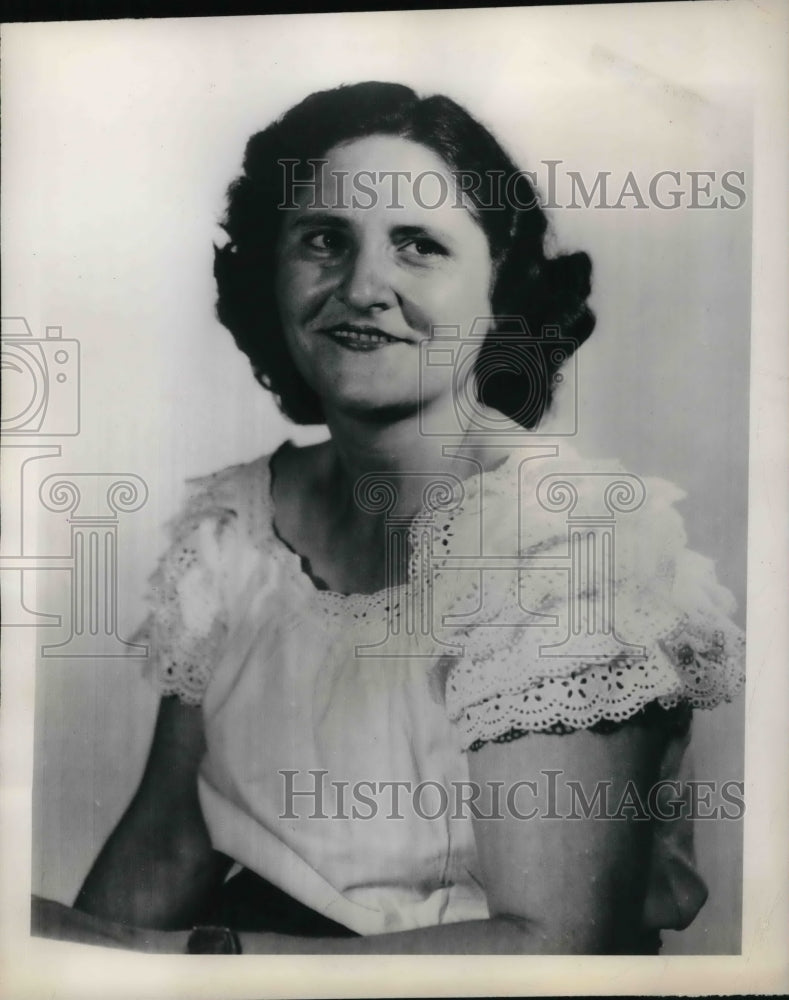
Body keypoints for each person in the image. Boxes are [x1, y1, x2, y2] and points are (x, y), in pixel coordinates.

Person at [31, 81, 745, 955]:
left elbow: (551, 949)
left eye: (418, 247)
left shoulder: (570, 547)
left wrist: (189, 963)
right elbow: (175, 834)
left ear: (500, 293)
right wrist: (59, 953)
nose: (363, 285)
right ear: (269, 271)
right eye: (324, 240)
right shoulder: (236, 528)